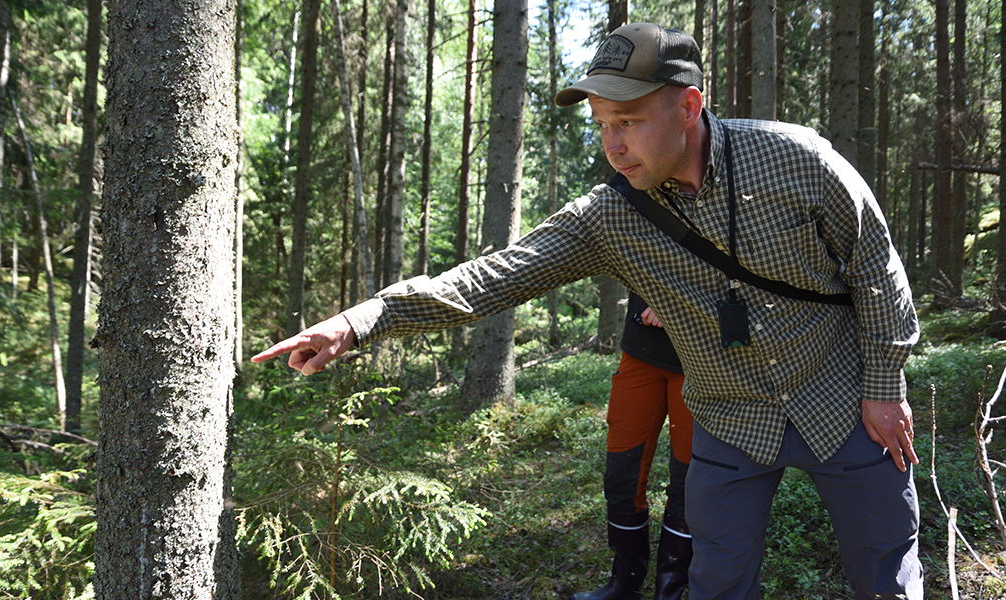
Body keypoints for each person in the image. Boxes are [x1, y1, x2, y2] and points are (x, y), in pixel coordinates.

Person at [253, 23, 922, 599]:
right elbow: (492, 278)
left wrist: (885, 387)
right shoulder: (610, 218)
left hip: (845, 402)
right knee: (717, 585)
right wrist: (359, 321)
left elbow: (875, 265)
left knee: (887, 578)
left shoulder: (796, 160)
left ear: (689, 105)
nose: (612, 144)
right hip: (729, 422)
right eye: (602, 123)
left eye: (628, 121)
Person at [571, 291, 694, 600]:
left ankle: (670, 591)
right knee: (621, 476)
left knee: (688, 484)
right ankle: (624, 584)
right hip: (640, 349)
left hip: (699, 363)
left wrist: (675, 305)